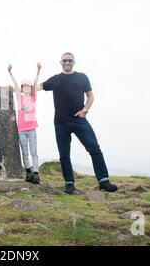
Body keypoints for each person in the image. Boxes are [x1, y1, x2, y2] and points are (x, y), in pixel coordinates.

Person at [39, 52, 118, 194]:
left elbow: (90, 96)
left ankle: (104, 181)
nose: (67, 62)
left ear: (74, 62)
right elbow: (34, 88)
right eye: (64, 60)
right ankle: (69, 184)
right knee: (64, 155)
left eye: (70, 60)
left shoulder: (82, 77)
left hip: (79, 120)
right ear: (60, 62)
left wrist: (85, 110)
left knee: (94, 148)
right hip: (60, 123)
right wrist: (19, 85)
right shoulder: (55, 79)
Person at [8, 62, 42, 184]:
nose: (26, 88)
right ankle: (28, 172)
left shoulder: (33, 97)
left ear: (31, 88)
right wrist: (10, 73)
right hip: (21, 129)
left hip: (32, 128)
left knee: (34, 151)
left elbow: (36, 80)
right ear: (22, 89)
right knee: (25, 151)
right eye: (24, 86)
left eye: (28, 86)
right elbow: (16, 86)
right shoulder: (19, 98)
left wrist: (38, 70)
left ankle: (36, 173)